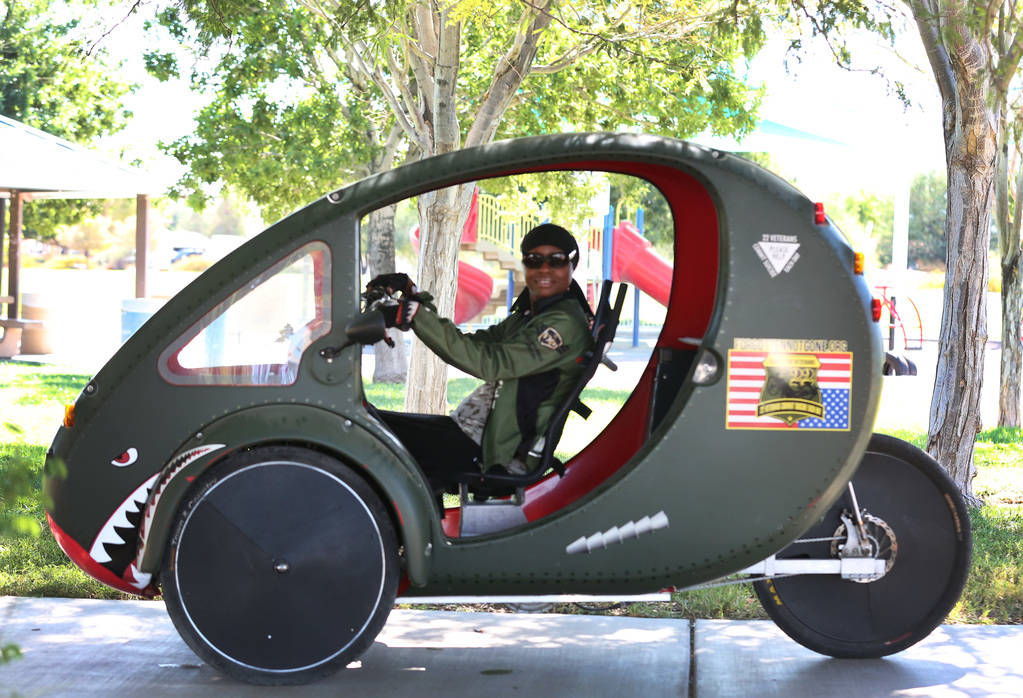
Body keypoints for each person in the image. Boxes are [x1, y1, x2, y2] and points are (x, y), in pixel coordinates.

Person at [368, 223, 594, 497]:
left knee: (366, 434)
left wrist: (413, 315)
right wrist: (412, 294)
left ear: (572, 265)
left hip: (493, 453)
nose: (544, 269)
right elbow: (475, 344)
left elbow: (489, 363)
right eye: (534, 260)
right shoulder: (533, 315)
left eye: (556, 260)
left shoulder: (562, 324)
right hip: (472, 432)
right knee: (368, 420)